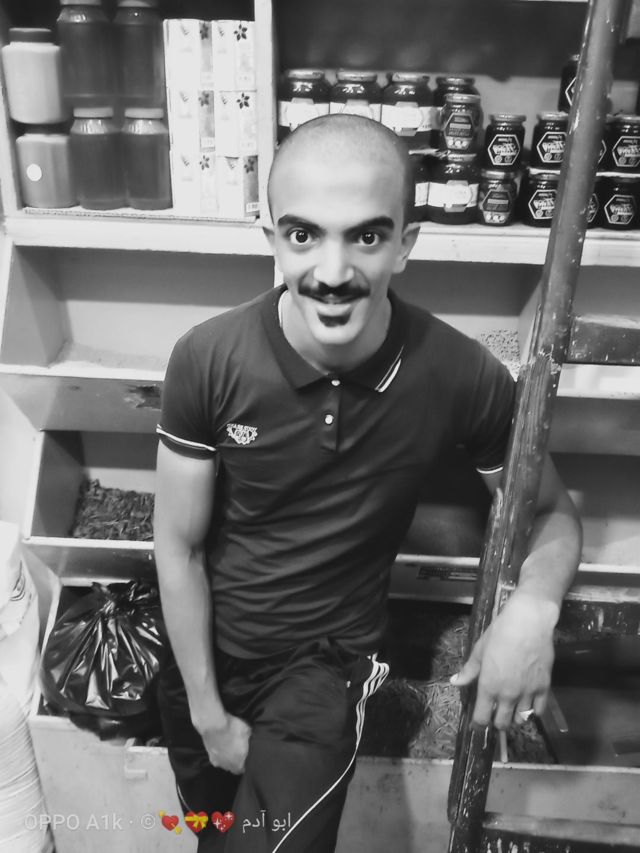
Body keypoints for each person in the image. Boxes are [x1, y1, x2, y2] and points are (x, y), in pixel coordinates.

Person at [153, 114, 582, 852]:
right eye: (303, 234)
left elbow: (550, 513)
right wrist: (206, 711)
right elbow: (178, 546)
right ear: (270, 237)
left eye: (367, 236)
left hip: (325, 667)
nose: (332, 271)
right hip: (204, 656)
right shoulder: (207, 359)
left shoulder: (458, 372)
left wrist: (533, 609)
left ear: (406, 243)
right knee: (214, 836)